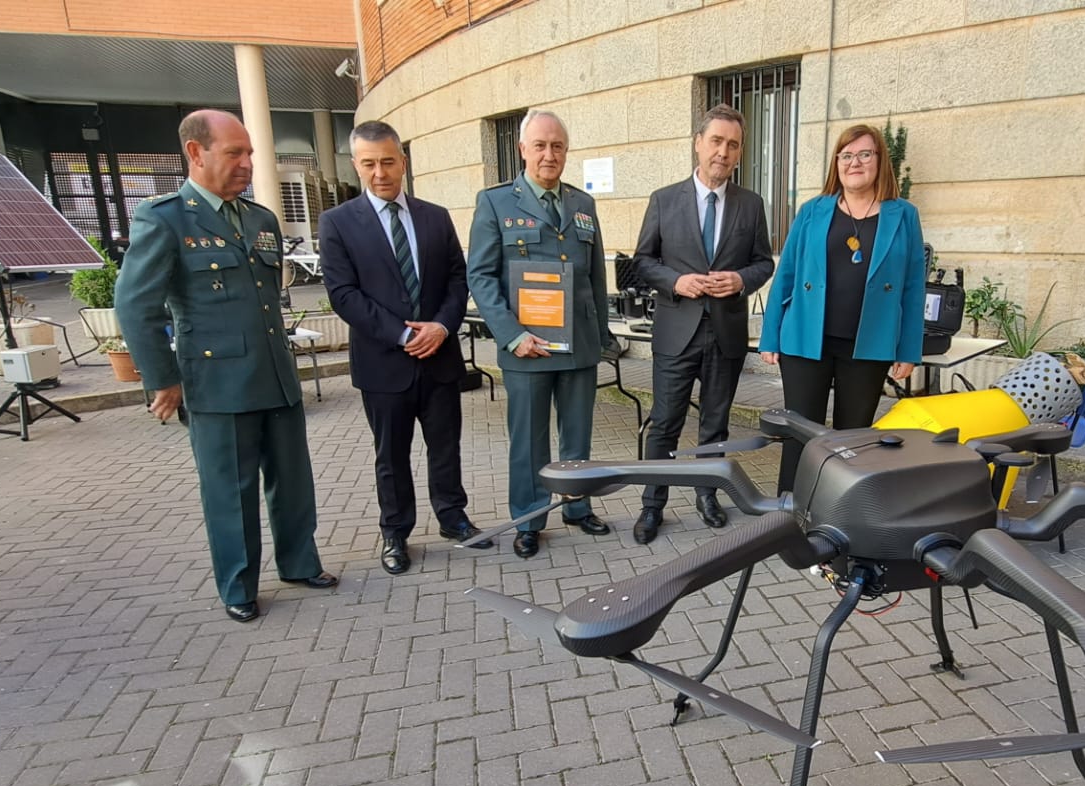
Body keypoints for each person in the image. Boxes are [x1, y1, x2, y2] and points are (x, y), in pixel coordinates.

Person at [115, 109, 337, 623]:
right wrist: (164, 379)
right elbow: (135, 305)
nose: (247, 163)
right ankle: (239, 585)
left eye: (250, 153)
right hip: (215, 383)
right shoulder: (165, 217)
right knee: (230, 492)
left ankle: (299, 563)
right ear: (196, 153)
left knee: (293, 479)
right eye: (234, 153)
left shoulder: (261, 219)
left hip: (275, 373)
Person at [317, 120, 492, 576]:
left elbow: (459, 276)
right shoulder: (337, 222)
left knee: (445, 447)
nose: (380, 173)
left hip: (439, 357)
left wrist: (441, 326)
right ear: (357, 165)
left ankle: (453, 518)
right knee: (390, 455)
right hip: (384, 363)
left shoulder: (435, 216)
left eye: (388, 162)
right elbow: (343, 293)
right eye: (370, 164)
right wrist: (402, 333)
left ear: (403, 162)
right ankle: (395, 532)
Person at [467, 109, 614, 559]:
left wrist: (602, 336)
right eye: (541, 146)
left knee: (577, 435)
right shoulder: (495, 202)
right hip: (526, 346)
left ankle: (576, 504)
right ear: (522, 149)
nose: (549, 154)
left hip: (578, 344)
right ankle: (530, 518)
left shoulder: (582, 204)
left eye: (558, 146)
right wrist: (512, 335)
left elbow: (594, 277)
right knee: (529, 439)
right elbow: (481, 276)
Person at [631, 104, 775, 544]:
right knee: (664, 423)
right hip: (677, 332)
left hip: (726, 333)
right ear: (698, 142)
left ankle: (707, 497)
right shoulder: (664, 199)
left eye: (733, 145)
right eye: (716, 141)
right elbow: (642, 263)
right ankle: (652, 505)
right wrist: (677, 281)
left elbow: (763, 263)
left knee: (716, 425)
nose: (723, 152)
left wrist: (739, 280)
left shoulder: (751, 205)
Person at [758, 123, 925, 492]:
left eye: (865, 154)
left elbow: (913, 288)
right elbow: (785, 273)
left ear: (880, 161)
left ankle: (841, 514)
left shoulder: (903, 215)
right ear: (837, 163)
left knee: (854, 440)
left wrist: (909, 349)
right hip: (805, 341)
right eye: (846, 155)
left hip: (869, 345)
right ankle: (791, 509)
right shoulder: (813, 210)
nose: (855, 162)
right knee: (799, 431)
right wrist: (769, 337)